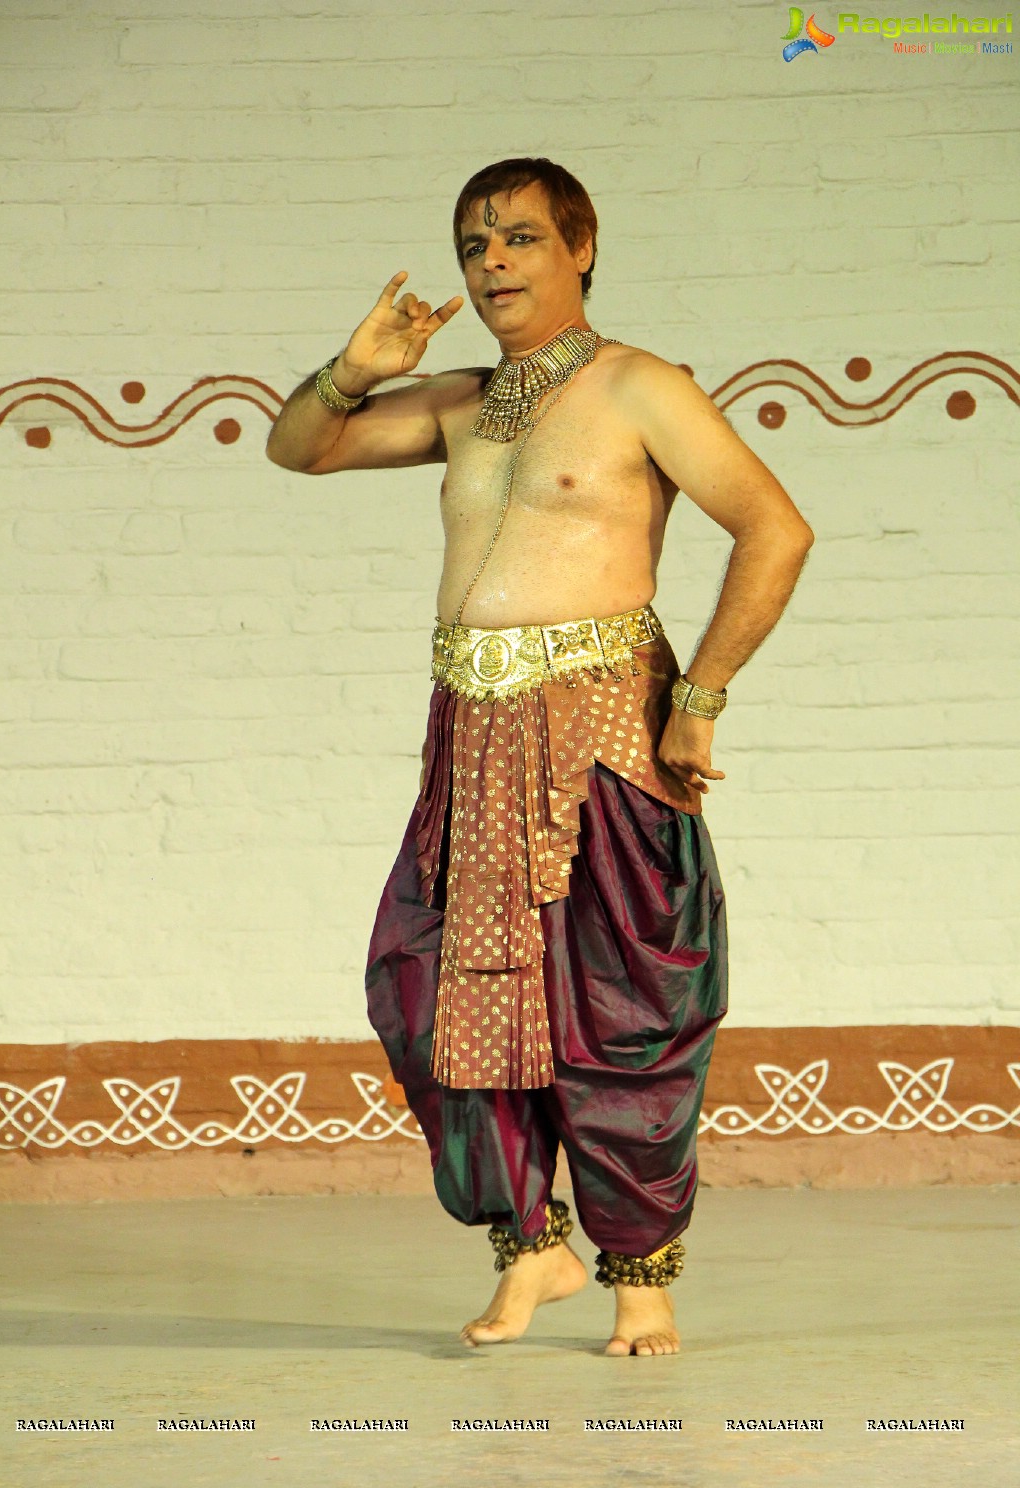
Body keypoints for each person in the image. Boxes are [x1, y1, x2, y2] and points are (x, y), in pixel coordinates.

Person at [266, 157, 814, 1357]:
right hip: (470, 736)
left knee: (620, 1008)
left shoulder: (639, 387)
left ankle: (643, 1279)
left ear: (580, 246)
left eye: (517, 237)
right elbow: (298, 448)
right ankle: (533, 1249)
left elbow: (776, 528)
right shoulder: (465, 400)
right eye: (474, 245)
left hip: (604, 729)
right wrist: (358, 370)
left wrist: (702, 693)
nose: (493, 262)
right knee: (430, 1000)